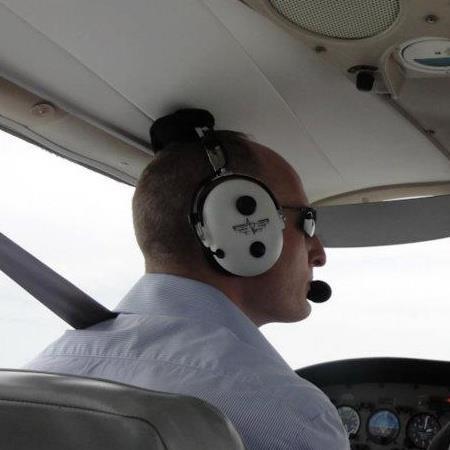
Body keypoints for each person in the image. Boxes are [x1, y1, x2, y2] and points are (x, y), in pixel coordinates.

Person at [24, 110, 350, 449]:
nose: (319, 253)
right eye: (306, 221)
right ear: (240, 226)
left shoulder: (38, 375)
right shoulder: (290, 415)